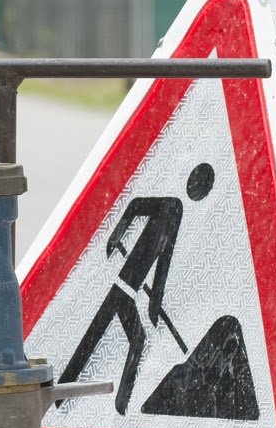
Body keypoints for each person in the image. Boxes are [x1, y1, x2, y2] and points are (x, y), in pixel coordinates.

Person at [62, 163, 213, 413]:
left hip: (126, 292)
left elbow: (164, 263)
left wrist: (155, 305)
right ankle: (115, 404)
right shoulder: (171, 205)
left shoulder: (177, 211)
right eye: (199, 185)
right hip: (122, 287)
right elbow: (134, 206)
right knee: (108, 337)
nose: (198, 190)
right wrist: (116, 236)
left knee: (108, 336)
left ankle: (97, 399)